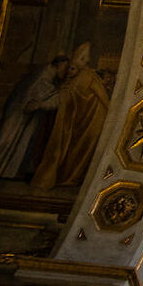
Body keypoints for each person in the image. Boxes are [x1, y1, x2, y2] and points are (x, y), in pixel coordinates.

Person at [32, 41, 110, 192]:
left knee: (80, 152)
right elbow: (67, 96)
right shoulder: (73, 78)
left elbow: (101, 97)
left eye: (73, 68)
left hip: (91, 121)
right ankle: (65, 178)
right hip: (75, 122)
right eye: (69, 68)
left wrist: (112, 116)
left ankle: (71, 179)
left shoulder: (88, 76)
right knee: (69, 151)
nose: (69, 72)